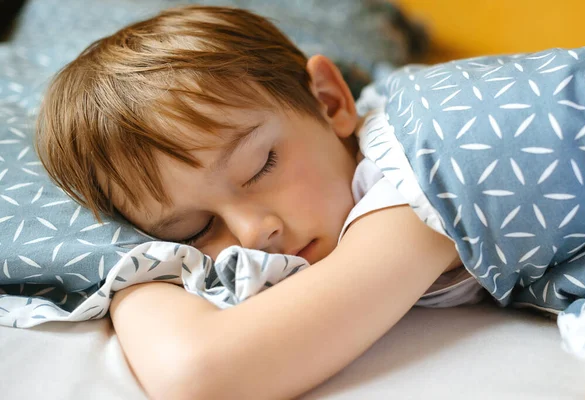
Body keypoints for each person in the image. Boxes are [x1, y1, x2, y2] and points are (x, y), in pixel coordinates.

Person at [35, 5, 469, 399]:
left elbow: (199, 373)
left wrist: (137, 285)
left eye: (260, 167)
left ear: (329, 101)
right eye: (194, 230)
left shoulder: (420, 176)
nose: (252, 233)